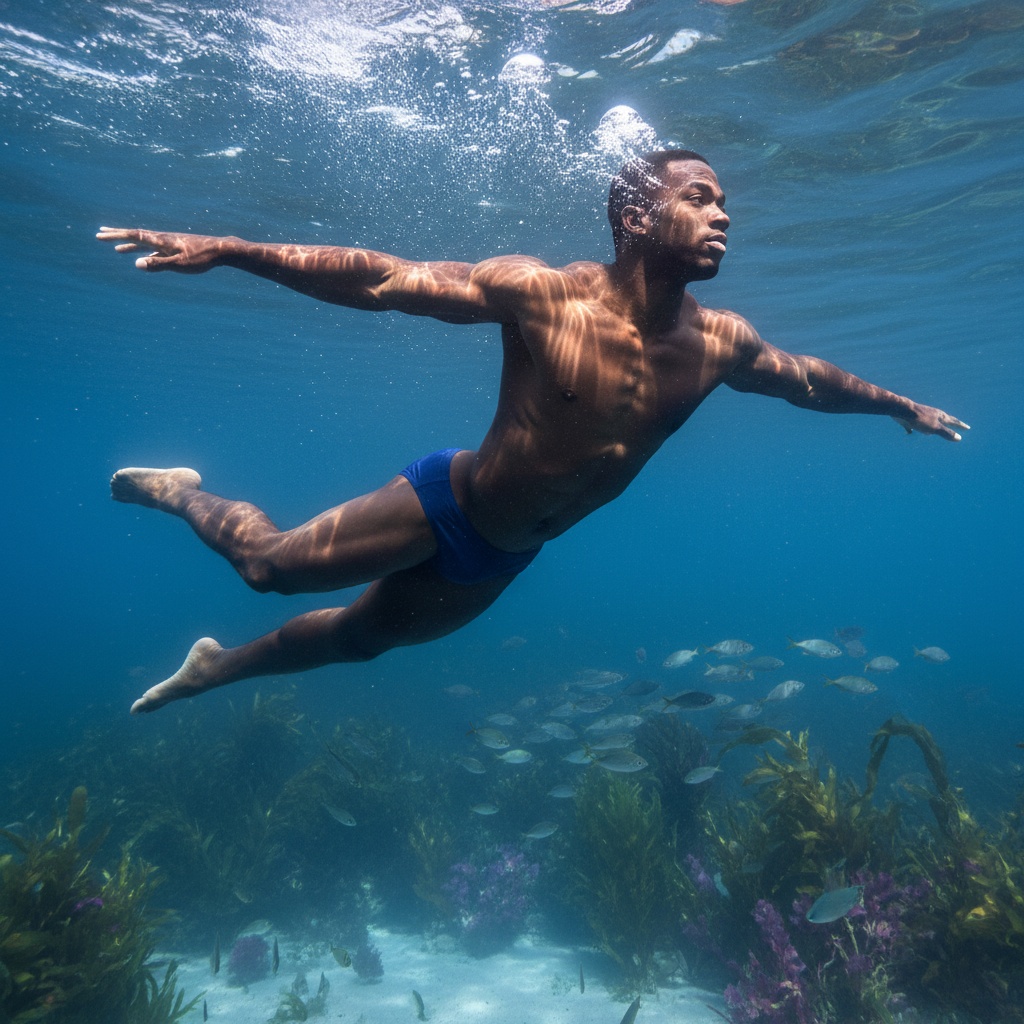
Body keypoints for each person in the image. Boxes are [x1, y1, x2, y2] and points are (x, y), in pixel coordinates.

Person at [97, 150, 968, 715]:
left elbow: (808, 380)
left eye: (724, 203)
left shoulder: (719, 342)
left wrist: (899, 405)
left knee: (362, 641)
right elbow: (383, 281)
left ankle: (216, 668)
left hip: (508, 552)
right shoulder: (545, 295)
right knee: (269, 568)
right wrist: (232, 247)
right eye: (699, 199)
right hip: (451, 504)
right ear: (636, 218)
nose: (723, 216)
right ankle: (179, 491)